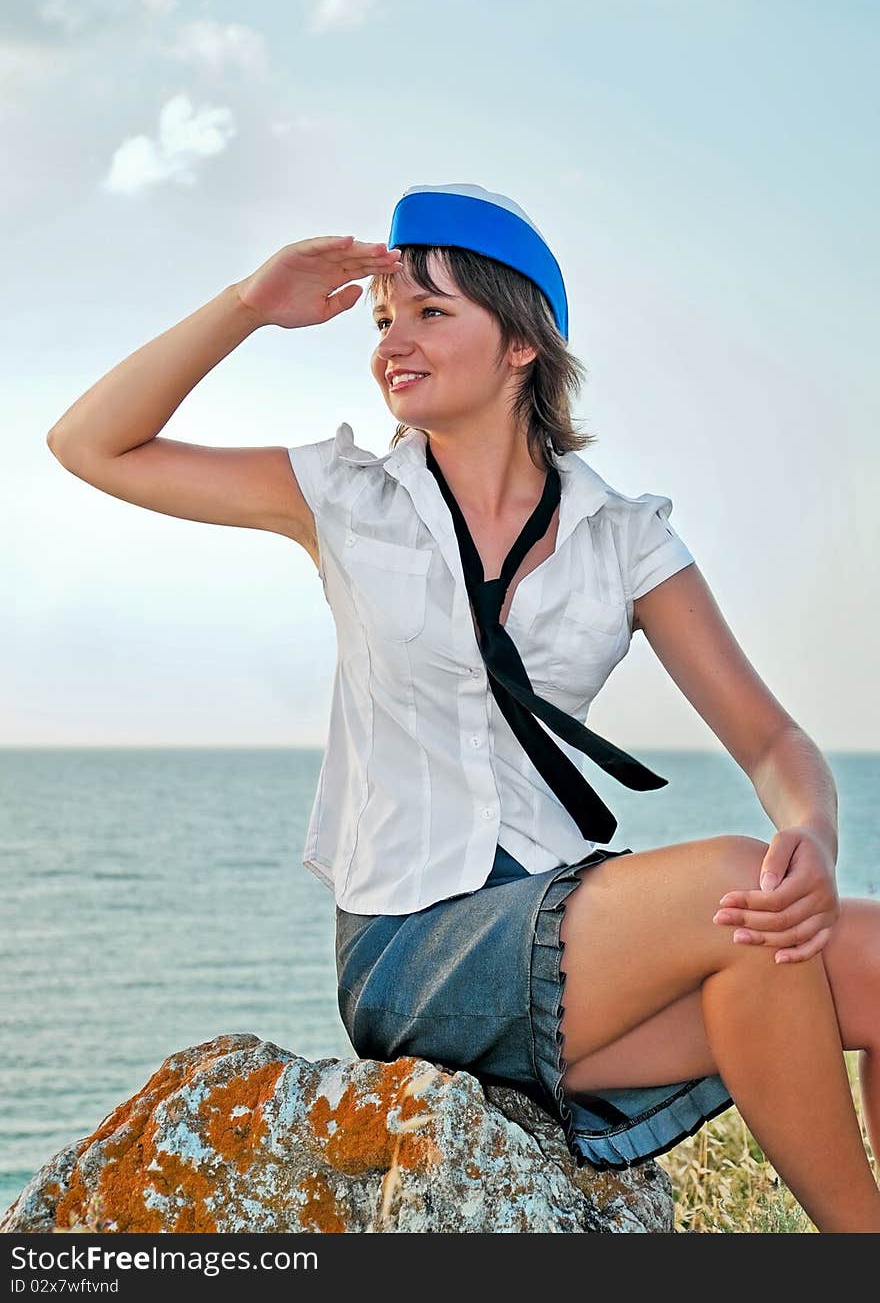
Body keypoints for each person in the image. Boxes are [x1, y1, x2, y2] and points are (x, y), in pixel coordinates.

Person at [46, 183, 880, 1234]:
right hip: (413, 945)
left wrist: (811, 830)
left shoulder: (621, 537)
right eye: (385, 320)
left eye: (431, 313)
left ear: (521, 342)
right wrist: (249, 305)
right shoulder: (341, 496)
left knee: (845, 948)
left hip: (568, 937)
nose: (394, 340)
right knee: (729, 884)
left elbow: (769, 740)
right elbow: (89, 444)